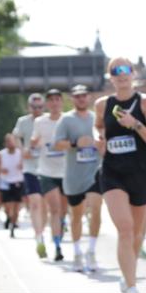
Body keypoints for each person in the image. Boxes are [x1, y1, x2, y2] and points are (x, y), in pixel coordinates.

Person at [96, 58, 146, 293]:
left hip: (140, 172)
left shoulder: (144, 102)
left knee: (136, 232)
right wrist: (98, 139)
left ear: (133, 74)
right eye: (116, 71)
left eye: (125, 70)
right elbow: (98, 128)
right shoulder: (102, 104)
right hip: (113, 173)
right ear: (110, 77)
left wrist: (134, 124)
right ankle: (132, 288)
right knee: (124, 229)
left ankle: (127, 272)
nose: (121, 74)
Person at [54, 84, 104, 273]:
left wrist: (102, 145)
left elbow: (105, 138)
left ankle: (91, 251)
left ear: (89, 97)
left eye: (84, 95)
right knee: (76, 215)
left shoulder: (95, 118)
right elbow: (56, 145)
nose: (81, 99)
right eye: (77, 96)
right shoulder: (66, 120)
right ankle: (77, 253)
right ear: (72, 99)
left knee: (97, 206)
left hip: (95, 171)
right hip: (74, 175)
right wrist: (75, 143)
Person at [32, 88, 68, 260]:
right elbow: (34, 140)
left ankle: (62, 226)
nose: (54, 103)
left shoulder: (68, 120)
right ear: (47, 104)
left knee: (63, 211)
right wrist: (33, 143)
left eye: (57, 100)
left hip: (67, 171)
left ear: (62, 102)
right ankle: (58, 247)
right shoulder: (40, 122)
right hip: (47, 172)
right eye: (51, 100)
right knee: (54, 209)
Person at [14, 93, 48, 258]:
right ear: (29, 107)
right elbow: (16, 138)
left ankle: (47, 230)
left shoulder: (49, 120)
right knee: (35, 203)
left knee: (45, 205)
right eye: (34, 107)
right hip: (30, 167)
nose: (37, 110)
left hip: (48, 167)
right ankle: (39, 238)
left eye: (40, 107)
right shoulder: (23, 122)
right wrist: (22, 151)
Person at [0, 133, 24, 238]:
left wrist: (22, 166)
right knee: (7, 207)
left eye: (12, 141)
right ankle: (9, 218)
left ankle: (12, 225)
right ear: (5, 143)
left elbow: (26, 165)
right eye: (8, 142)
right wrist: (1, 169)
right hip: (5, 182)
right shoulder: (1, 154)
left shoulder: (20, 153)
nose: (11, 143)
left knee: (16, 207)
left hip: (17, 182)